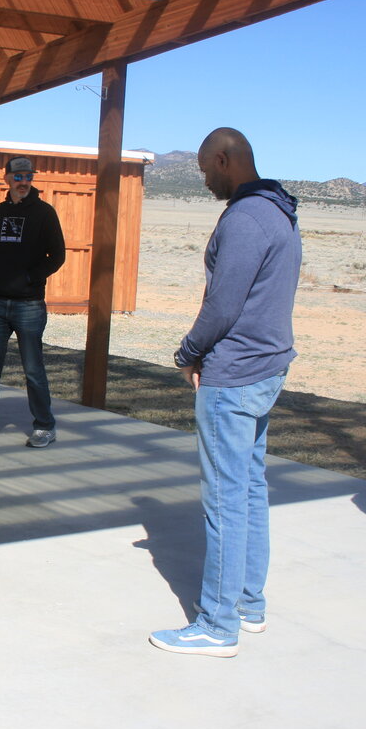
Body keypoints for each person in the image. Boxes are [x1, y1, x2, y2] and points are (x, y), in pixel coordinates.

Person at [149, 128, 302, 658]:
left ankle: (217, 624)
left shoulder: (244, 219)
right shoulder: (279, 210)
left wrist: (187, 352)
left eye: (204, 170)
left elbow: (222, 306)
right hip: (267, 369)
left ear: (223, 158)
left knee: (224, 498)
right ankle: (247, 603)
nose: (204, 180)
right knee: (250, 488)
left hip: (233, 376)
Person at [0, 156, 66, 450]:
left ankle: (44, 426)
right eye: (18, 177)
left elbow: (57, 256)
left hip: (29, 306)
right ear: (7, 179)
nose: (23, 182)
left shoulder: (45, 213)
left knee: (33, 369)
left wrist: (30, 277)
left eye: (28, 176)